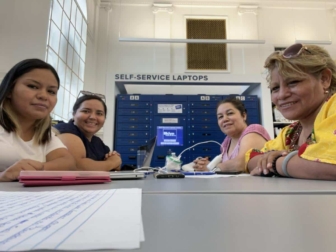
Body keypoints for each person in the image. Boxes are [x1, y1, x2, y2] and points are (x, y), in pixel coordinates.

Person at [247, 43, 336, 180]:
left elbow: (330, 165)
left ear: (324, 79)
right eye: (275, 88)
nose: (281, 95)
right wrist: (291, 162)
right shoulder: (291, 132)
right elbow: (251, 158)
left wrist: (277, 162)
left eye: (293, 82)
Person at [0, 59, 76, 182]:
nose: (43, 96)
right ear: (9, 90)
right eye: (33, 86)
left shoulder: (45, 134)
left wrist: (37, 169)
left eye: (51, 91)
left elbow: (69, 164)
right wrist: (2, 177)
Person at [194, 97, 271, 172]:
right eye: (220, 117)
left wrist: (211, 167)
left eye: (230, 113)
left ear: (244, 115)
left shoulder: (254, 130)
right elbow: (226, 166)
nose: (225, 119)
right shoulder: (226, 143)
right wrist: (203, 165)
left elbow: (241, 164)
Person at [54, 93, 122, 171]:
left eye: (99, 113)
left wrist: (114, 161)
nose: (92, 117)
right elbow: (77, 166)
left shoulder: (97, 142)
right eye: (86, 111)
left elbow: (115, 168)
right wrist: (113, 162)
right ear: (74, 114)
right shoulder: (65, 129)